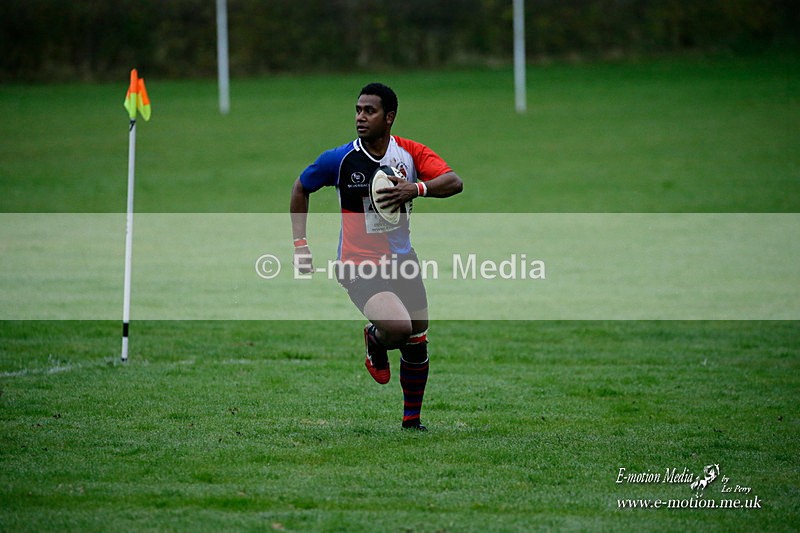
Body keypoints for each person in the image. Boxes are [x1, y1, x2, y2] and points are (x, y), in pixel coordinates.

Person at [289, 82, 463, 430]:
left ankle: (411, 423)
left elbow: (453, 181)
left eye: (370, 111)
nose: (360, 117)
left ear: (390, 117)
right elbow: (301, 187)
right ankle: (374, 337)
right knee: (398, 328)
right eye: (358, 110)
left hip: (403, 261)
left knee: (417, 337)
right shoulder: (340, 159)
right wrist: (300, 246)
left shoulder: (409, 154)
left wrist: (416, 188)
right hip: (358, 265)